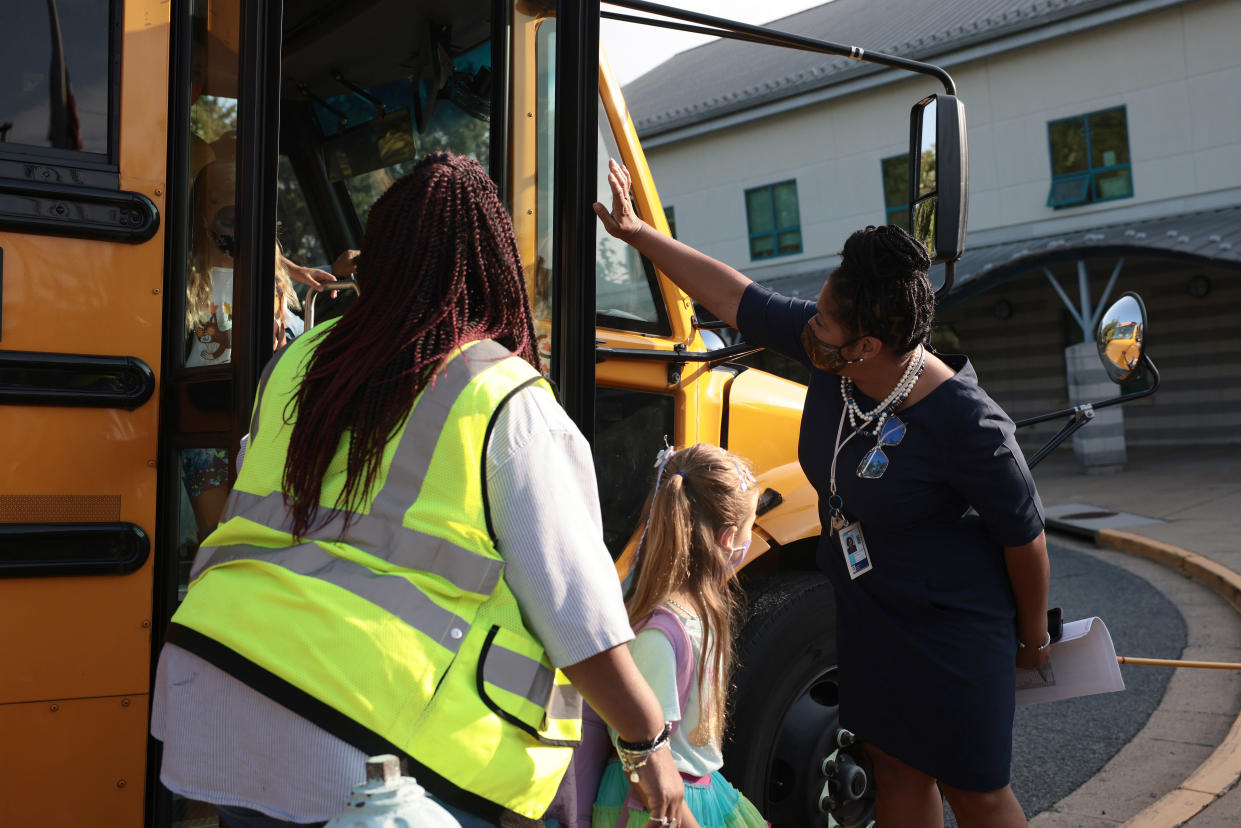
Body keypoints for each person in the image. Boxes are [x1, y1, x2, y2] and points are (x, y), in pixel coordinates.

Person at [152, 152, 689, 828]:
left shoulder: (295, 362)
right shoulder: (505, 398)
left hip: (216, 689)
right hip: (351, 731)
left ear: (376, 260)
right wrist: (649, 749)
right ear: (493, 269)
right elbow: (580, 623)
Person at [594, 160, 1051, 828]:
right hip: (870, 614)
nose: (809, 325)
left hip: (953, 628)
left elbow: (1024, 537)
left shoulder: (968, 425)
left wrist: (1032, 638)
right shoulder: (831, 352)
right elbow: (735, 300)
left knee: (973, 789)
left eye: (826, 326)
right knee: (895, 768)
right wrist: (635, 234)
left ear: (864, 346)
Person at [592, 443, 767, 828]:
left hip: (692, 794)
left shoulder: (696, 616)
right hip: (663, 810)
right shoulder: (661, 636)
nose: (748, 540)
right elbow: (645, 761)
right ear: (726, 539)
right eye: (749, 528)